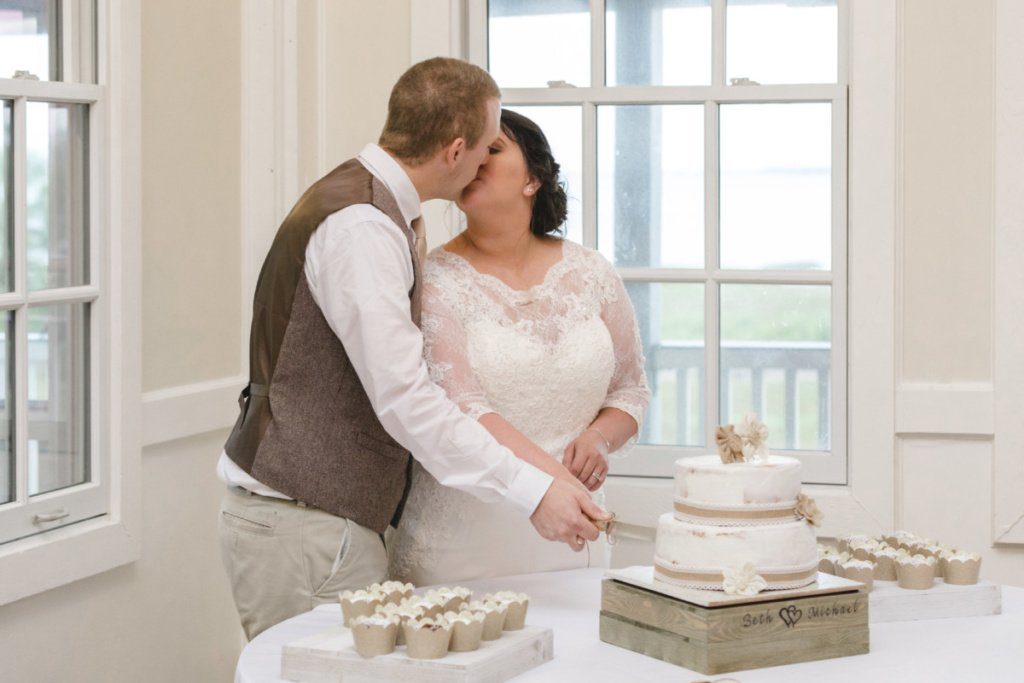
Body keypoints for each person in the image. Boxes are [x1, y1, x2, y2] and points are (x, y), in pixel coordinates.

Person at [215, 59, 607, 640]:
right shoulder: (362, 228)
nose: (481, 164)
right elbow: (405, 399)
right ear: (453, 151)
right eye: (483, 149)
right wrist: (532, 489)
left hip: (326, 522)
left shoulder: (374, 209)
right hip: (306, 527)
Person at [387, 109, 650, 585]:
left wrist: (598, 439)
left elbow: (631, 392)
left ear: (533, 179)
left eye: (492, 148)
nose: (475, 159)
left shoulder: (592, 273)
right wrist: (552, 483)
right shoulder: (436, 281)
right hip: (465, 546)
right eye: (468, 150)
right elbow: (464, 406)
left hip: (574, 536)